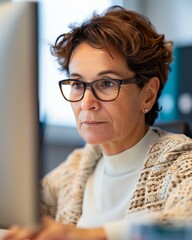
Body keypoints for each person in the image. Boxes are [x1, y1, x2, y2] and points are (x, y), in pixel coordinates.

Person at [3, 5, 192, 240]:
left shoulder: (180, 163)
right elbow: (13, 211)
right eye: (78, 84)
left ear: (148, 94)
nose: (86, 103)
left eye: (107, 83)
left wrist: (89, 235)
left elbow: (186, 222)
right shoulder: (77, 168)